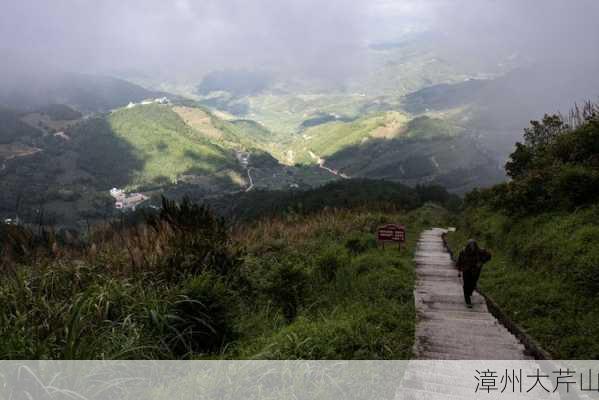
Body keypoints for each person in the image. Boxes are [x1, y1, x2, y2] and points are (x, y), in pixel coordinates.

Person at [456, 239, 491, 308]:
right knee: (466, 284)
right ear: (468, 246)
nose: (472, 248)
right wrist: (459, 270)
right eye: (470, 246)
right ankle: (467, 300)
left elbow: (489, 256)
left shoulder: (480, 251)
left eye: (473, 246)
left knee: (473, 284)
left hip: (475, 271)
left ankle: (469, 292)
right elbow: (459, 261)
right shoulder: (463, 252)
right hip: (466, 270)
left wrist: (481, 262)